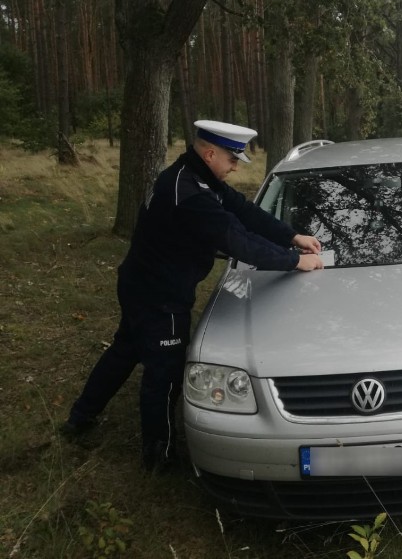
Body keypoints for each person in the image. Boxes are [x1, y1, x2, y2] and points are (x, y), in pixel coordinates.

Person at [60, 120, 324, 471]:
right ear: (210, 153)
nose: (235, 166)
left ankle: (80, 418)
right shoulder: (191, 194)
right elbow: (238, 242)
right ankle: (159, 456)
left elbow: (244, 212)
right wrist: (296, 261)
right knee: (164, 375)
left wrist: (292, 237)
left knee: (125, 351)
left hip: (141, 283)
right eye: (232, 159)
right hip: (160, 296)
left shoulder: (196, 176)